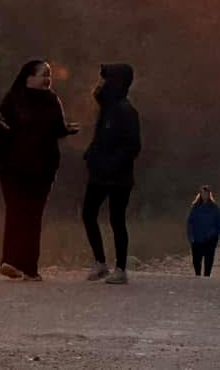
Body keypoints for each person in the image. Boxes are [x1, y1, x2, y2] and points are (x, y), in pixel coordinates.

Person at [0, 59, 79, 280]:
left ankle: (29, 267)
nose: (48, 78)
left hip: (42, 169)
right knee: (16, 212)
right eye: (43, 74)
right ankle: (10, 261)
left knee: (33, 216)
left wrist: (67, 130)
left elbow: (58, 128)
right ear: (29, 76)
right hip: (13, 167)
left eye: (49, 74)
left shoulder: (52, 100)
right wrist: (3, 129)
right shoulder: (13, 98)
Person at [82, 64, 141, 285]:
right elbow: (101, 138)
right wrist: (91, 154)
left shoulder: (126, 111)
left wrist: (110, 163)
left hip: (118, 176)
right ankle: (100, 262)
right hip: (99, 172)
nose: (101, 84)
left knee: (117, 219)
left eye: (106, 80)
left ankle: (121, 268)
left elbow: (133, 146)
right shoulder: (107, 108)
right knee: (88, 213)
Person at [186, 185, 220, 277]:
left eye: (207, 193)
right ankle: (198, 276)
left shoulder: (214, 207)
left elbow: (219, 221)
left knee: (209, 260)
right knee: (197, 260)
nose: (205, 195)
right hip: (197, 238)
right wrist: (190, 236)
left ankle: (207, 277)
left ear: (209, 194)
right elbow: (189, 222)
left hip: (211, 238)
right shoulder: (195, 207)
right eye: (203, 193)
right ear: (200, 194)